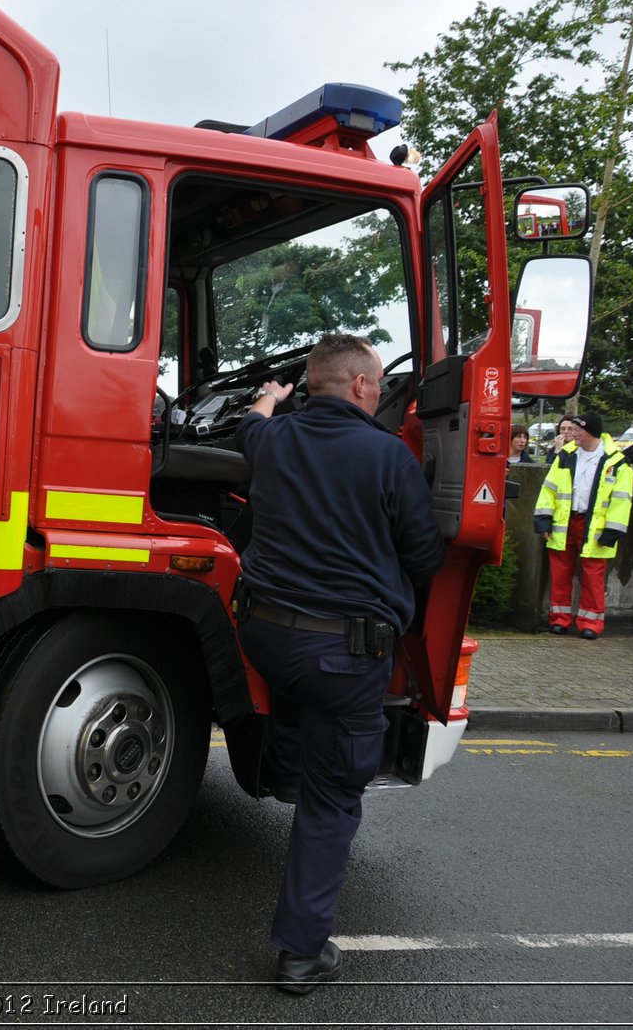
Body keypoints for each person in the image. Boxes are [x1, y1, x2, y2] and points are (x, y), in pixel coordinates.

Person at [233, 333, 445, 995]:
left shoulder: (272, 441)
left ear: (309, 383)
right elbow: (426, 555)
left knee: (296, 687)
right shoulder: (388, 457)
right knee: (331, 800)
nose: (381, 394)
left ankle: (285, 763)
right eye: (378, 384)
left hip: (262, 633)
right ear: (358, 386)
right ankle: (300, 952)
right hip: (343, 652)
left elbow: (249, 425)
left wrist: (269, 398)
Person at [533, 410, 633, 639]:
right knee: (559, 572)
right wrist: (543, 520)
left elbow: (622, 500)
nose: (572, 433)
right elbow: (549, 489)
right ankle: (559, 620)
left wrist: (613, 530)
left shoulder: (617, 462)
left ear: (590, 432)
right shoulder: (566, 455)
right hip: (565, 521)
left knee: (593, 576)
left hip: (595, 525)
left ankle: (591, 624)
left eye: (577, 430)